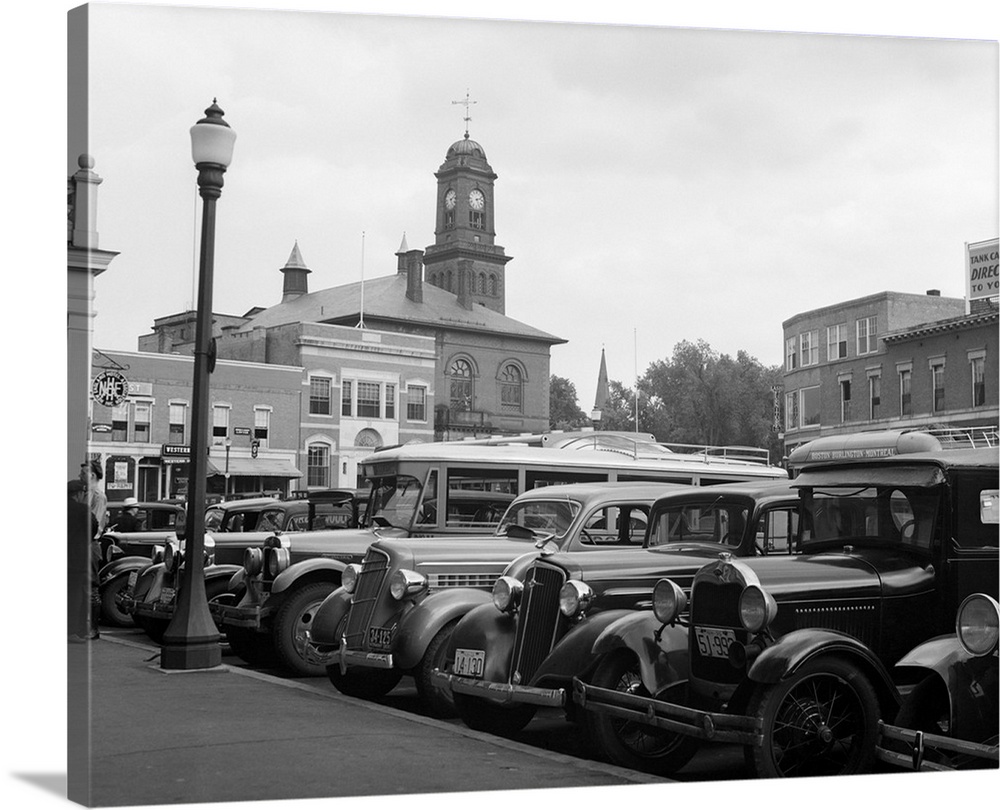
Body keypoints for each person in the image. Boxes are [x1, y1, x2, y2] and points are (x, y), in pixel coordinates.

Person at [68, 479, 100, 641]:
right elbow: (93, 527)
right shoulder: (82, 510)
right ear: (79, 494)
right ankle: (74, 630)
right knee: (76, 596)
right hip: (76, 559)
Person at [80, 459, 108, 538]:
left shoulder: (98, 497)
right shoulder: (84, 494)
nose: (80, 476)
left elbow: (94, 523)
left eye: (83, 473)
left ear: (92, 475)